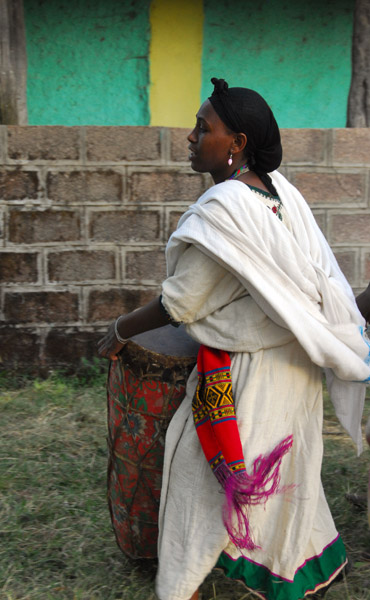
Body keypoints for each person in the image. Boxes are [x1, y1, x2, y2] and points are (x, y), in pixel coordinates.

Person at [99, 78, 370, 600]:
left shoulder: (224, 209)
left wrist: (119, 330)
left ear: (237, 142)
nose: (192, 136)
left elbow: (180, 303)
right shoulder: (278, 191)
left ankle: (181, 585)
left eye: (205, 127)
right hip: (295, 365)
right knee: (288, 469)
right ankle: (299, 567)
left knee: (197, 476)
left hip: (248, 371)